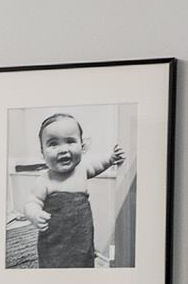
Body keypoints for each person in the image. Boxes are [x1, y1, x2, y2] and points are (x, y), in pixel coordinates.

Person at [25, 110, 125, 267]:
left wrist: (111, 159)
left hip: (82, 240)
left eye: (70, 141)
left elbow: (99, 165)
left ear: (82, 146)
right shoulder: (44, 180)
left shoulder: (82, 170)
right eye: (53, 144)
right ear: (42, 153)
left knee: (84, 264)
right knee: (53, 268)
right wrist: (35, 214)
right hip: (54, 242)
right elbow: (32, 202)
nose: (63, 149)